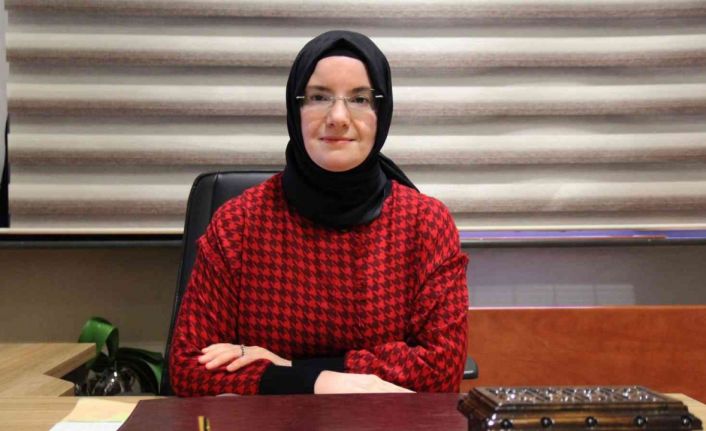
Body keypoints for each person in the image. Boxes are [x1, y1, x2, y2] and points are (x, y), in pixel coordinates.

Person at [169, 30, 469, 396]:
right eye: (318, 97)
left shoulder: (425, 224)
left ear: (382, 112)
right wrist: (324, 380)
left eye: (359, 99)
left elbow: (442, 369)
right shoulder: (239, 224)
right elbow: (189, 367)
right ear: (295, 109)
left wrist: (288, 369)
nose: (338, 116)